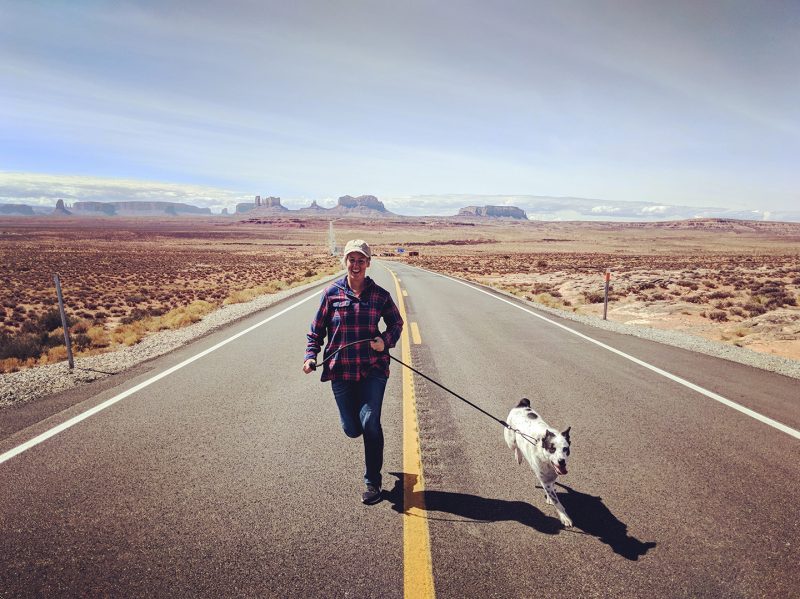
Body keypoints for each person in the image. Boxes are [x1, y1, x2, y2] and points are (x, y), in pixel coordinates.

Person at [303, 239, 404, 504]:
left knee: (371, 422)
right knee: (352, 429)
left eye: (361, 260)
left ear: (368, 263)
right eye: (351, 259)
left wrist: (385, 341)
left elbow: (396, 323)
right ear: (345, 262)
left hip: (373, 368)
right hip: (341, 371)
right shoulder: (331, 293)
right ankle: (358, 427)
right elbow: (316, 330)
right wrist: (310, 356)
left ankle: (373, 483)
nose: (356, 265)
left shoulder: (380, 295)